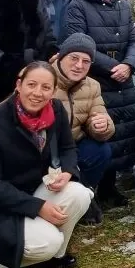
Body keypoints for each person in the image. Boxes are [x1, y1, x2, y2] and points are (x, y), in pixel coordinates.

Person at [0, 62, 94, 268]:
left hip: (37, 188)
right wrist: (38, 207)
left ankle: (56, 255)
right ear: (19, 85)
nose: (38, 93)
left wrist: (67, 170)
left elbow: (67, 148)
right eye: (32, 85)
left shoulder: (55, 109)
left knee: (80, 194)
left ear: (54, 90)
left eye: (46, 87)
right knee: (47, 242)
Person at [63, 0, 135, 208]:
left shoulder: (123, 5)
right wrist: (112, 67)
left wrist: (128, 64)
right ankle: (93, 190)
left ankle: (111, 187)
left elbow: (133, 40)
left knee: (121, 132)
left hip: (123, 76)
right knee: (99, 131)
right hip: (96, 78)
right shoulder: (77, 4)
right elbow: (79, 43)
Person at [51, 34, 114, 226]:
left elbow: (101, 116)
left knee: (101, 150)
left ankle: (84, 194)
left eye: (86, 61)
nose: (79, 65)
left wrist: (102, 125)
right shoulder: (43, 77)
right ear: (61, 57)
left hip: (73, 146)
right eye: (74, 58)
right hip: (45, 150)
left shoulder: (92, 86)